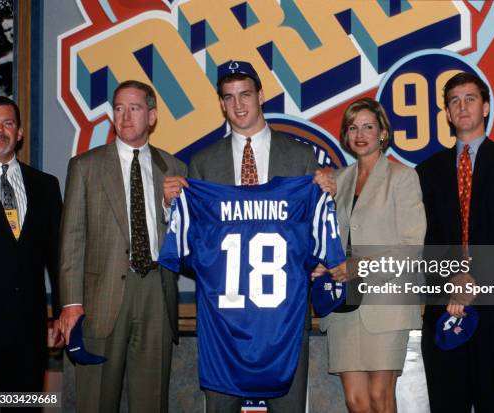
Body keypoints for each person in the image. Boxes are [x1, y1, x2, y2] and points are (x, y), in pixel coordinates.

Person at [163, 60, 336, 413]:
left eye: (245, 94)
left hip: (284, 317)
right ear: (221, 104)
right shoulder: (203, 164)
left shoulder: (302, 157)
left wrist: (327, 196)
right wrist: (173, 207)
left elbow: (316, 235)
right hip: (223, 319)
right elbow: (194, 245)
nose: (238, 105)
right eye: (228, 97)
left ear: (260, 95)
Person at [57, 80, 188, 412]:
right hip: (101, 298)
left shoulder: (173, 168)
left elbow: (188, 241)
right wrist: (71, 303)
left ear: (152, 116)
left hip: (156, 292)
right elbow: (71, 239)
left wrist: (170, 208)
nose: (125, 117)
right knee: (96, 400)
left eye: (135, 108)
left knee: (151, 401)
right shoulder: (85, 166)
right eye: (118, 108)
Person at [416, 72, 494, 412]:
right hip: (445, 306)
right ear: (448, 115)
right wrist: (453, 279)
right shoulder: (428, 171)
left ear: (486, 107)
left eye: (470, 99)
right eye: (454, 101)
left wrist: (473, 280)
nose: (462, 107)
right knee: (447, 401)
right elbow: (428, 238)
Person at [317, 97, 426, 413]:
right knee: (355, 401)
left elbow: (411, 247)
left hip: (386, 304)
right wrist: (319, 266)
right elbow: (322, 239)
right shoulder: (336, 181)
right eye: (353, 127)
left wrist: (358, 267)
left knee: (380, 396)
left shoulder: (402, 178)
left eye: (368, 126)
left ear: (383, 133)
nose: (360, 134)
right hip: (342, 304)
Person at [0, 95, 63, 397]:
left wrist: (60, 313)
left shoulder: (45, 186)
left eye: (8, 123)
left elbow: (58, 258)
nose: (0, 131)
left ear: (19, 133)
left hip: (28, 333)